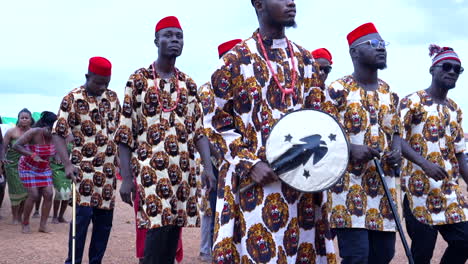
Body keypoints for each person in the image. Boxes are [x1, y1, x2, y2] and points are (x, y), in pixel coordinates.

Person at [205, 1, 337, 262]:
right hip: (253, 187)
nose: (292, 2)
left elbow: (323, 118)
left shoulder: (306, 60)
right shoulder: (235, 60)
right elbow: (213, 121)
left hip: (302, 190)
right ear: (258, 3)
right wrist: (249, 163)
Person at [116, 16, 215, 264]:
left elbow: (199, 131)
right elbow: (125, 131)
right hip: (150, 172)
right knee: (156, 232)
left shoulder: (189, 84)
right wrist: (126, 178)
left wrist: (208, 168)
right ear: (156, 40)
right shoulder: (138, 80)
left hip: (182, 172)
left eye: (178, 36)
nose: (174, 40)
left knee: (172, 234)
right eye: (168, 35)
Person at [322, 22, 402, 264]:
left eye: (383, 44)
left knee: (383, 255)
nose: (381, 49)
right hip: (347, 189)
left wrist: (396, 151)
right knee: (357, 257)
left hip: (383, 189)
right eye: (374, 44)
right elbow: (321, 134)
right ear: (354, 52)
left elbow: (396, 131)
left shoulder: (389, 92)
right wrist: (350, 148)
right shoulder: (337, 90)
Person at [399, 45, 468, 264]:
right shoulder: (412, 101)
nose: (452, 71)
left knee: (465, 240)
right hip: (418, 193)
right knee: (422, 254)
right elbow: (395, 138)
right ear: (432, 69)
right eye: (446, 66)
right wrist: (424, 163)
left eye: (457, 69)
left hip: (449, 194)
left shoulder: (455, 109)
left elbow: (460, 154)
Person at [52, 56, 121, 264]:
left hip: (108, 174)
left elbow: (117, 131)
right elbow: (58, 133)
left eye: (106, 83)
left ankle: (95, 262)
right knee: (81, 222)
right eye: (98, 82)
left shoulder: (112, 98)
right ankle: (73, 261)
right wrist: (67, 164)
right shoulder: (72, 99)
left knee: (104, 224)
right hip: (83, 172)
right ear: (87, 76)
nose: (102, 87)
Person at [197, 38, 242, 263]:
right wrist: (213, 161)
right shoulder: (208, 89)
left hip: (239, 158)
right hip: (216, 158)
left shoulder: (245, 86)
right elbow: (206, 129)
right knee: (213, 206)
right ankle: (210, 250)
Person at [13, 111, 58, 233]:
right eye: (50, 129)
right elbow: (16, 145)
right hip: (27, 167)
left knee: (49, 194)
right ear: (44, 126)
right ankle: (25, 223)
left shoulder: (57, 134)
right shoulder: (34, 132)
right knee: (33, 194)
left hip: (44, 168)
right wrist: (32, 154)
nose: (53, 132)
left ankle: (43, 226)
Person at [3, 108, 34, 224]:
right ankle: (15, 217)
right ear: (18, 119)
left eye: (27, 118)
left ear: (31, 120)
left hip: (29, 166)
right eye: (22, 118)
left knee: (27, 192)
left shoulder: (34, 132)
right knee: (15, 191)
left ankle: (20, 216)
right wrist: (2, 158)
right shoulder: (11, 132)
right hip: (12, 165)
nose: (24, 120)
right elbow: (3, 147)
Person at [51, 135, 73, 224]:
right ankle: (55, 216)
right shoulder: (55, 136)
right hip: (56, 167)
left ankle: (61, 216)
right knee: (60, 191)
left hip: (67, 167)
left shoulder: (72, 136)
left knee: (67, 192)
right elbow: (52, 151)